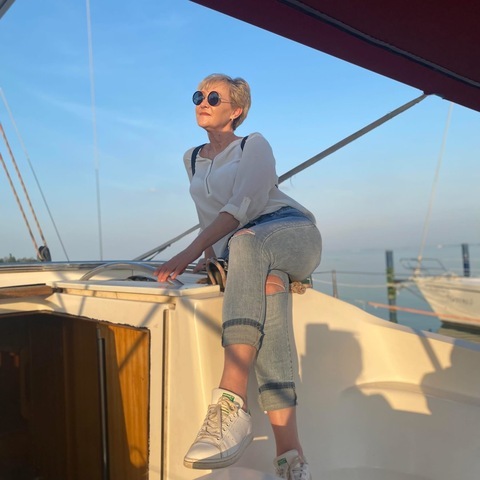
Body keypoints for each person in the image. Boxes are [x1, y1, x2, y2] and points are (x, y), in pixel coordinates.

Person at [155, 73, 322, 480]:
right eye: (199, 95)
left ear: (237, 110)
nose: (203, 102)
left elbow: (243, 207)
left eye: (214, 97)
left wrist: (188, 251)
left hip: (291, 232)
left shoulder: (253, 145)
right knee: (270, 290)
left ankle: (231, 399)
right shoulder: (191, 158)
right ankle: (290, 457)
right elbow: (208, 216)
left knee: (246, 242)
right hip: (247, 250)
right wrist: (210, 259)